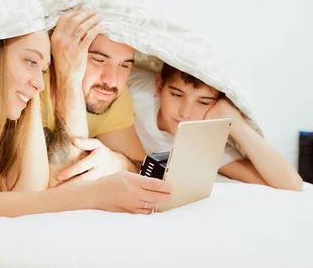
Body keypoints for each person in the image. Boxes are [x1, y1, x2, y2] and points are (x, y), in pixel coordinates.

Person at [0, 30, 172, 217]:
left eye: (43, 69)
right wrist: (96, 194)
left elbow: (29, 188)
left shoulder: (19, 102)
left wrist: (119, 163)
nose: (112, 79)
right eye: (30, 61)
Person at [128, 63, 303, 191]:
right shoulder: (138, 89)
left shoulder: (202, 142)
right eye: (176, 94)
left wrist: (236, 123)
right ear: (159, 86)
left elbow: (291, 184)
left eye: (203, 102)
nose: (185, 113)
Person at [43, 11, 147, 187]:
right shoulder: (33, 86)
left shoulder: (108, 93)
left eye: (124, 65)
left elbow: (144, 171)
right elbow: (59, 187)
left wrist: (120, 163)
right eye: (98, 60)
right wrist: (70, 79)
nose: (112, 80)